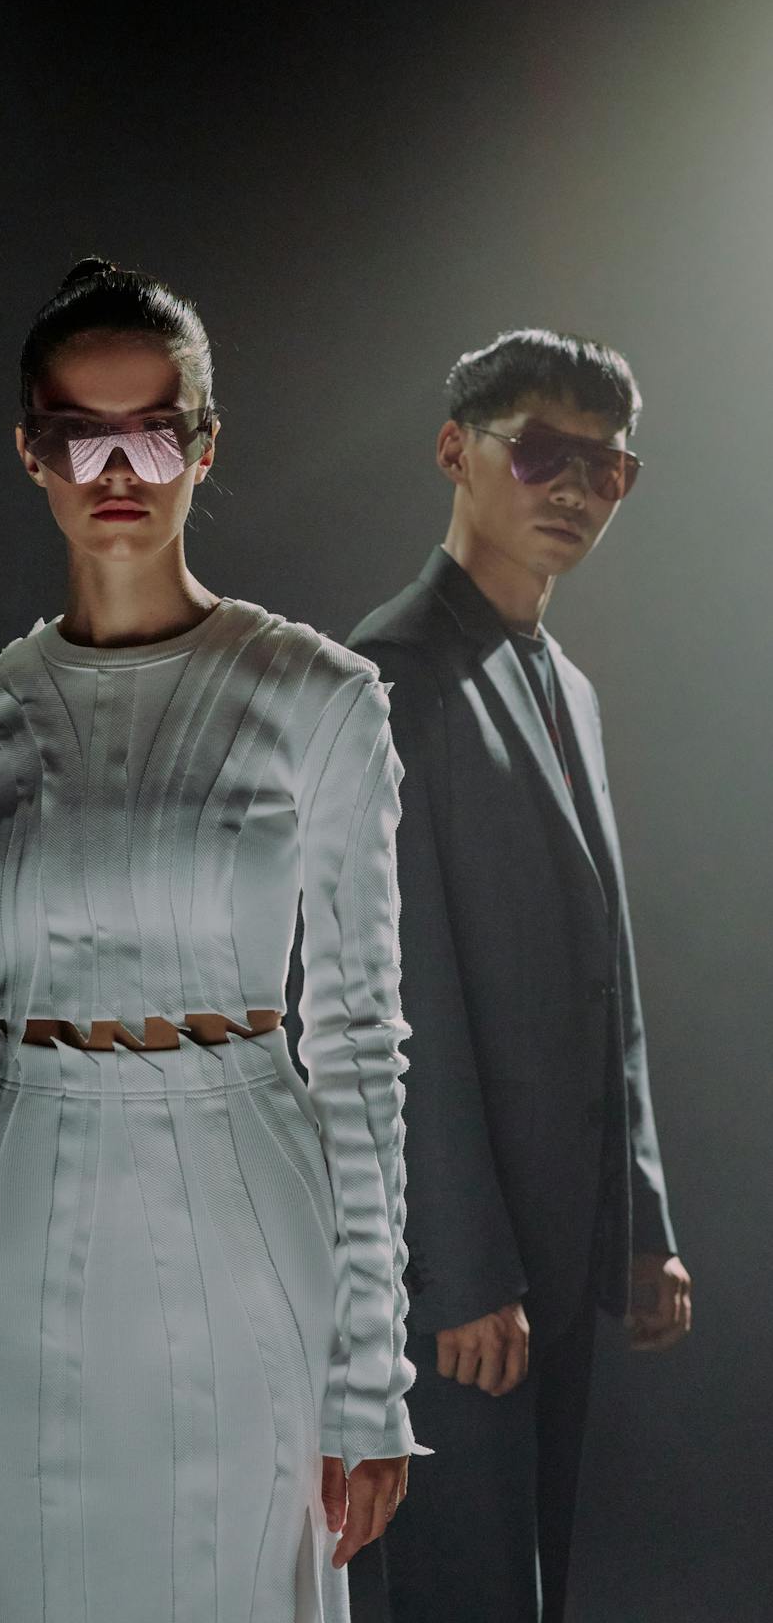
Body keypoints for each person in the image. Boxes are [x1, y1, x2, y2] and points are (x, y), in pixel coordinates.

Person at [0, 258, 420, 1623]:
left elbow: (358, 1044)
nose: (118, 465)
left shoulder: (320, 701)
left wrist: (371, 1373)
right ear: (29, 448)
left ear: (205, 443)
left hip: (246, 1221)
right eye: (76, 430)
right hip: (12, 1214)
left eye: (154, 427)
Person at [347, 329, 691, 1623]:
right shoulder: (385, 681)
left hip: (556, 1236)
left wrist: (637, 1219)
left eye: (602, 466)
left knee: (524, 1583)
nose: (571, 487)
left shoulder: (568, 690)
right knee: (460, 1588)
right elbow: (397, 997)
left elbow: (604, 973)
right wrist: (460, 1268)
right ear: (454, 450)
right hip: (460, 1267)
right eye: (538, 450)